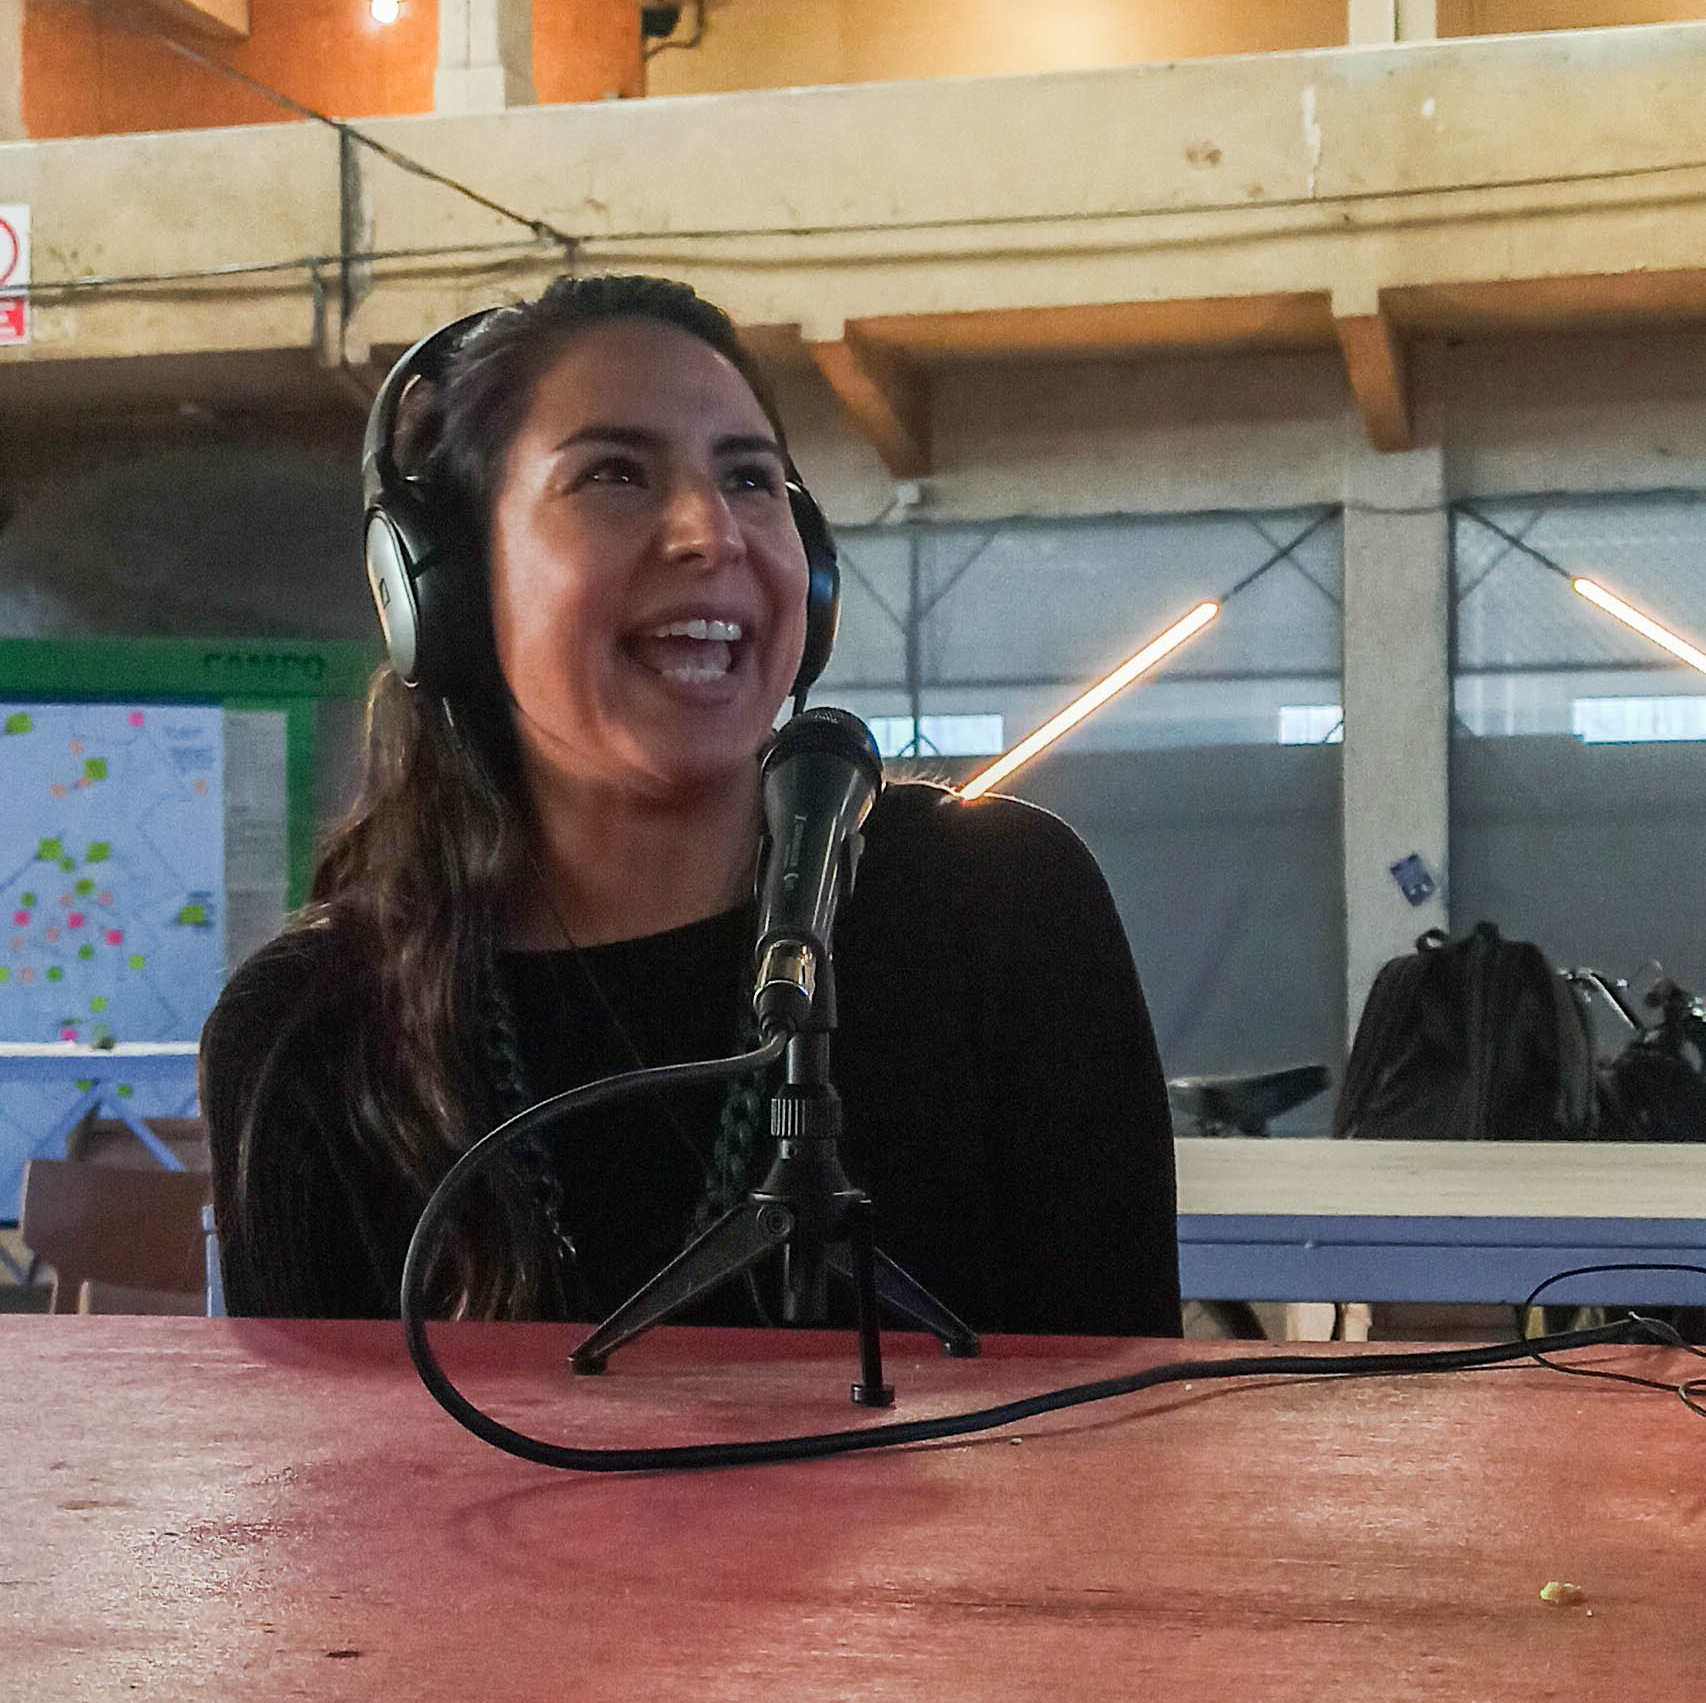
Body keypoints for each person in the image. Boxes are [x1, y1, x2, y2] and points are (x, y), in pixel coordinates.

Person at [201, 273, 1180, 1335]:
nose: (710, 532)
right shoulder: (310, 1033)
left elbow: (1125, 1401)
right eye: (613, 474)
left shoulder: (1000, 906)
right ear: (447, 588)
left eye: (750, 478)